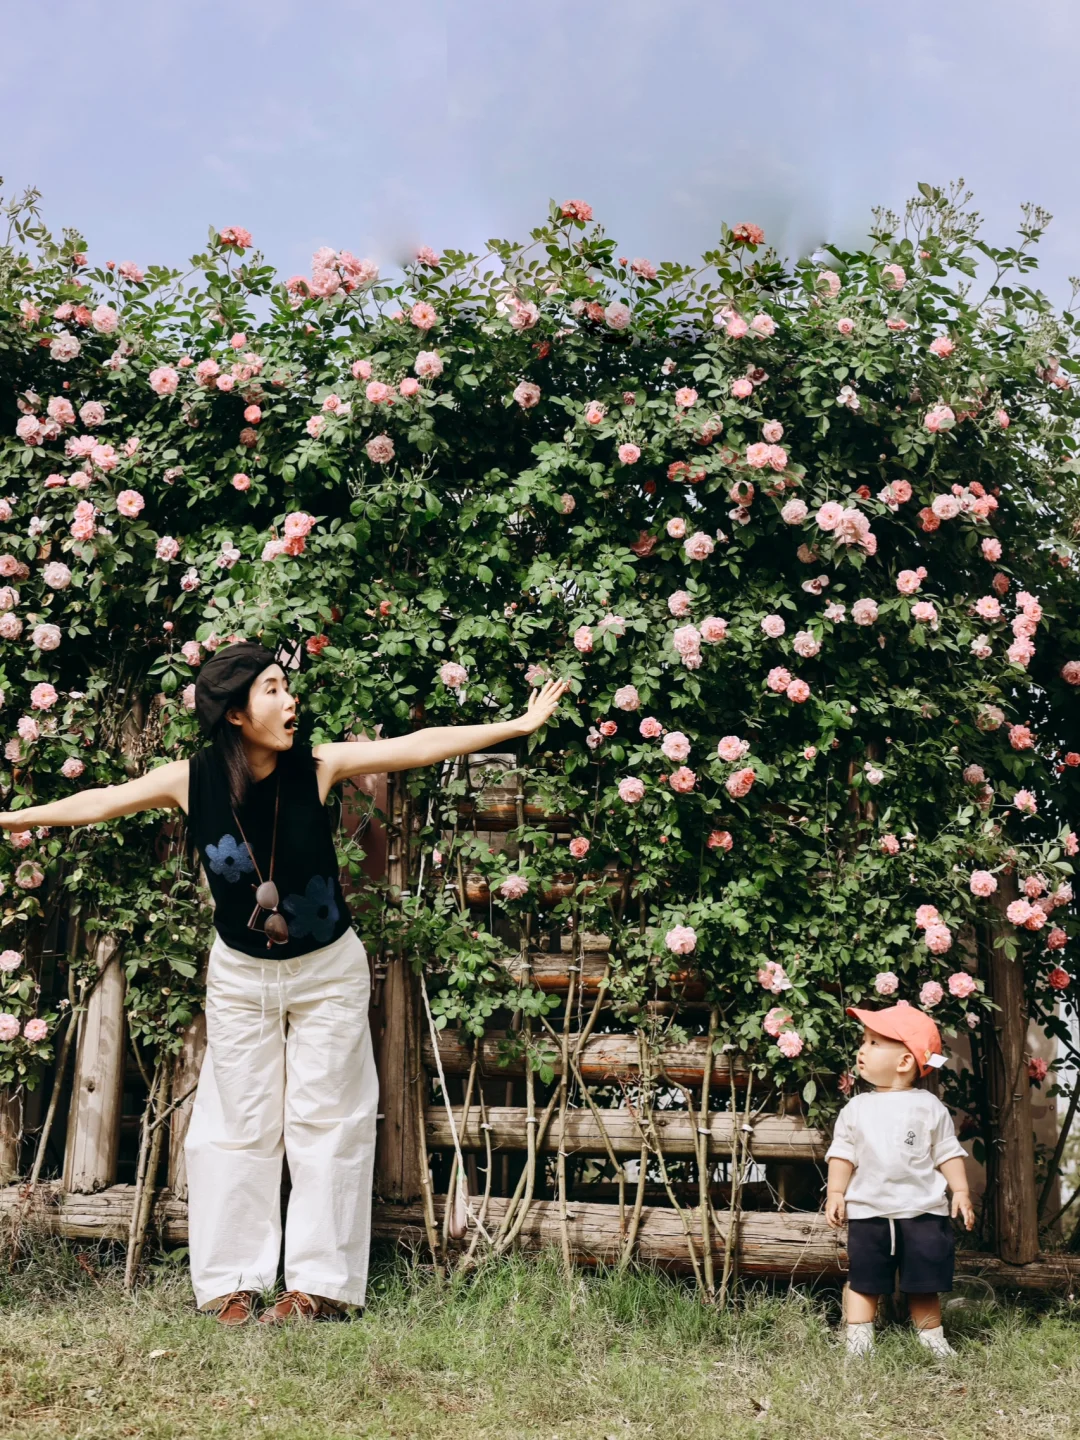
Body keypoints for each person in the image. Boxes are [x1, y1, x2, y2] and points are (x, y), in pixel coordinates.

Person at [0, 640, 569, 1325]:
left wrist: (516, 725)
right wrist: (13, 818)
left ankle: (318, 1287)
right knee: (235, 1125)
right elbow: (102, 802)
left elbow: (417, 746)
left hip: (327, 971)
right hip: (241, 975)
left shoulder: (318, 766)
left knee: (330, 1122)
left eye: (286, 686)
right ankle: (231, 1283)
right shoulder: (192, 780)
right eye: (272, 688)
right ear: (236, 713)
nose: (290, 699)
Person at [824, 1000, 975, 1358]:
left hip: (923, 1211)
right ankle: (858, 1341)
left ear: (905, 1061)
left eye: (874, 1043)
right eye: (864, 1041)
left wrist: (960, 1190)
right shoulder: (856, 1108)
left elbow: (947, 1151)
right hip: (869, 1212)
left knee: (924, 1282)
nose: (862, 1050)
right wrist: (836, 1192)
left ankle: (932, 1339)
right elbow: (843, 1153)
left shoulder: (928, 1106)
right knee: (864, 1280)